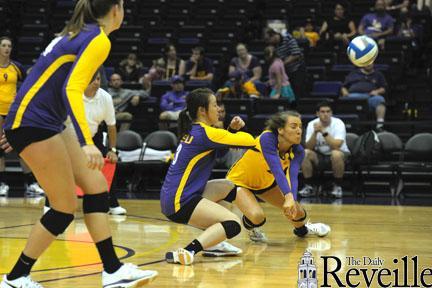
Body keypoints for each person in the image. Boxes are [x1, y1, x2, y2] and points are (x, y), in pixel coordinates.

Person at [0, 1, 157, 287]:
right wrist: (87, 142)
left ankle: (112, 270)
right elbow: (71, 87)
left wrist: (16, 121)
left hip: (40, 121)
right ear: (115, 10)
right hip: (36, 122)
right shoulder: (97, 38)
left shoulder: (76, 32)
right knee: (63, 206)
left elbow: (43, 76)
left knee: (96, 185)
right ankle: (15, 277)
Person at [161, 88, 256, 265]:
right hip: (180, 202)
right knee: (233, 224)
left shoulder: (199, 131)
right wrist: (238, 133)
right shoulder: (206, 133)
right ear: (202, 111)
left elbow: (218, 152)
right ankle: (189, 251)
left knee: (226, 186)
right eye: (214, 105)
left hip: (175, 196)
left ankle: (215, 244)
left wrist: (230, 132)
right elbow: (249, 140)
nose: (219, 109)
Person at [205, 111, 331, 243]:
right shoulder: (267, 138)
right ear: (281, 129)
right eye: (294, 127)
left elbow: (292, 176)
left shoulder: (298, 151)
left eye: (300, 126)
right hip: (239, 182)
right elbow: (276, 169)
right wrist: (287, 197)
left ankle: (303, 230)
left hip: (265, 185)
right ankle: (251, 226)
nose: (299, 130)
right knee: (257, 217)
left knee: (298, 212)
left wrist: (292, 199)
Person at [43, 72, 127, 215]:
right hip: (66, 136)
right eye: (92, 79)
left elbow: (111, 126)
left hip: (91, 137)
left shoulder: (105, 97)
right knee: (59, 167)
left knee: (108, 161)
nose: (96, 82)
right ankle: (50, 203)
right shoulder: (71, 94)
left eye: (99, 79)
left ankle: (112, 203)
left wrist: (112, 149)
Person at [0, 36, 44, 197]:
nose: (6, 48)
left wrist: (19, 97)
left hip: (13, 113)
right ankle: (2, 183)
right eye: (3, 45)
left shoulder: (16, 67)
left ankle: (31, 183)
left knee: (21, 147)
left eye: (9, 46)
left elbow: (28, 84)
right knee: (0, 149)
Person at [299, 101, 350, 198]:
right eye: (322, 112)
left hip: (340, 154)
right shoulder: (312, 124)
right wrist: (315, 133)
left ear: (331, 113)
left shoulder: (338, 123)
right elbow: (309, 147)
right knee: (304, 153)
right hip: (320, 155)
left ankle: (338, 187)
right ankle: (309, 186)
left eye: (328, 111)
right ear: (317, 113)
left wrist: (323, 131)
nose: (325, 114)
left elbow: (336, 146)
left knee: (336, 154)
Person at [265, 28, 307, 102]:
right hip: (286, 71)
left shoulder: (287, 37)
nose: (268, 42)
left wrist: (281, 64)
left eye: (269, 39)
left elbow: (296, 54)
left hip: (297, 69)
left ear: (274, 35)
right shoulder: (274, 45)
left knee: (297, 92)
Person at [341, 63, 387, 130]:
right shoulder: (354, 73)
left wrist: (377, 91)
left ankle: (380, 125)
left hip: (370, 97)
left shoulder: (378, 74)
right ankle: (346, 124)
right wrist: (345, 93)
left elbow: (383, 88)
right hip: (353, 96)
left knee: (380, 100)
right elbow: (344, 87)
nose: (368, 65)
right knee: (343, 101)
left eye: (370, 63)